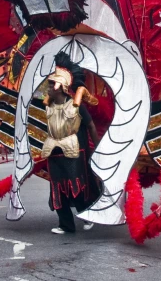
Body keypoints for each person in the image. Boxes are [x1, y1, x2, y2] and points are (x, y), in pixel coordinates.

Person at [40, 54, 100, 235]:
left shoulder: (77, 105)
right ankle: (66, 224)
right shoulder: (48, 105)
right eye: (49, 84)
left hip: (76, 151)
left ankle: (88, 214)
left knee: (78, 186)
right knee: (57, 188)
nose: (49, 87)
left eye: (52, 84)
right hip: (54, 152)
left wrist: (97, 149)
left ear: (62, 87)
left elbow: (90, 125)